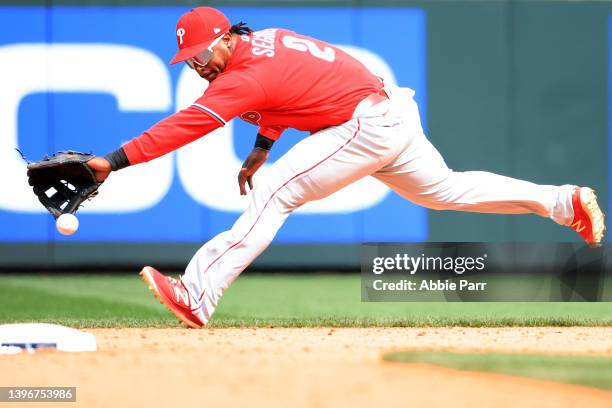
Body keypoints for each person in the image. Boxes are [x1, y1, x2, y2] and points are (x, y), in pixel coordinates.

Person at [86, 7, 605, 328]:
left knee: (275, 193)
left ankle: (198, 293)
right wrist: (262, 146)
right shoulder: (261, 43)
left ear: (224, 37)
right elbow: (290, 94)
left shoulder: (242, 76)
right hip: (387, 111)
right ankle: (563, 202)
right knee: (445, 190)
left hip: (366, 122)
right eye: (191, 60)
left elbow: (185, 127)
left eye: (203, 53)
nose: (199, 64)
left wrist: (112, 162)